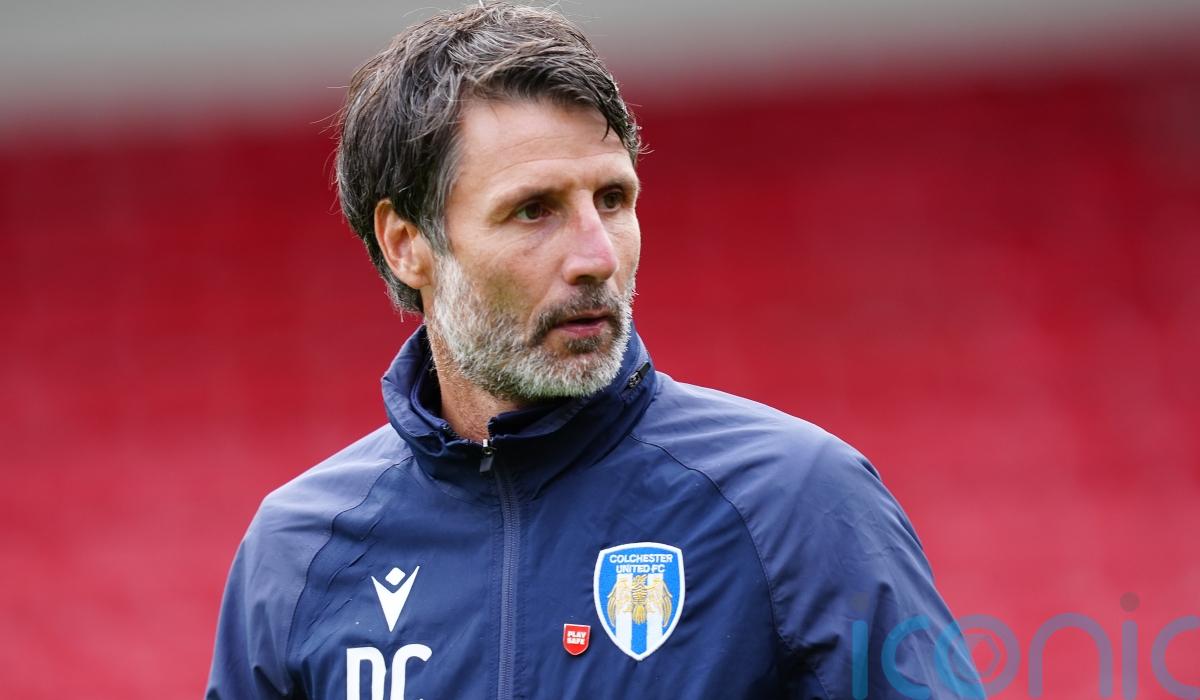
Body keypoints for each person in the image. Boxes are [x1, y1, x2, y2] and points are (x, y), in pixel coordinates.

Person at [206, 3, 983, 698]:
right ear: (408, 244)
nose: (597, 255)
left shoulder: (796, 502)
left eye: (613, 199)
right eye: (533, 210)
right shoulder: (299, 552)